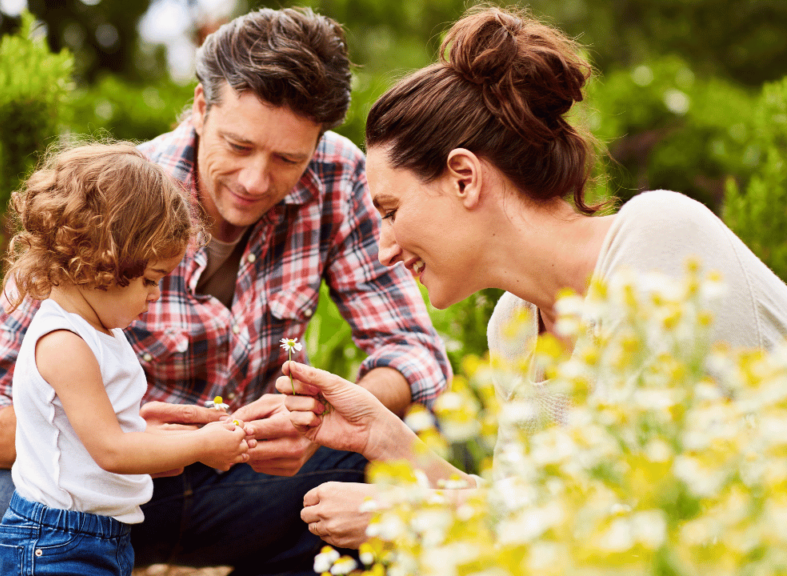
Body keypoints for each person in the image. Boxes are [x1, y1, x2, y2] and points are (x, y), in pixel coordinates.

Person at [0, 7, 453, 576]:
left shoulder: (338, 178)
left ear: (318, 143)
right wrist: (123, 434)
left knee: (420, 454)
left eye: (286, 159)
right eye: (239, 146)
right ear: (200, 107)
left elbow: (412, 352)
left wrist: (316, 418)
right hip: (101, 491)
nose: (256, 180)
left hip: (250, 483)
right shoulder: (110, 200)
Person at [274, 4, 787, 548]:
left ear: (465, 178)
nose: (384, 248)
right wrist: (389, 441)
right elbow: (534, 525)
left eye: (392, 211)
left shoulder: (659, 240)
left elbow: (674, 514)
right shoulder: (515, 327)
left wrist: (410, 513)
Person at [0, 142, 252, 576]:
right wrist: (202, 446)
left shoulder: (97, 330)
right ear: (99, 262)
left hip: (97, 534)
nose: (155, 294)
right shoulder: (65, 343)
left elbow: (104, 433)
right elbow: (111, 451)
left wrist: (158, 432)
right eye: (150, 280)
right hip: (58, 541)